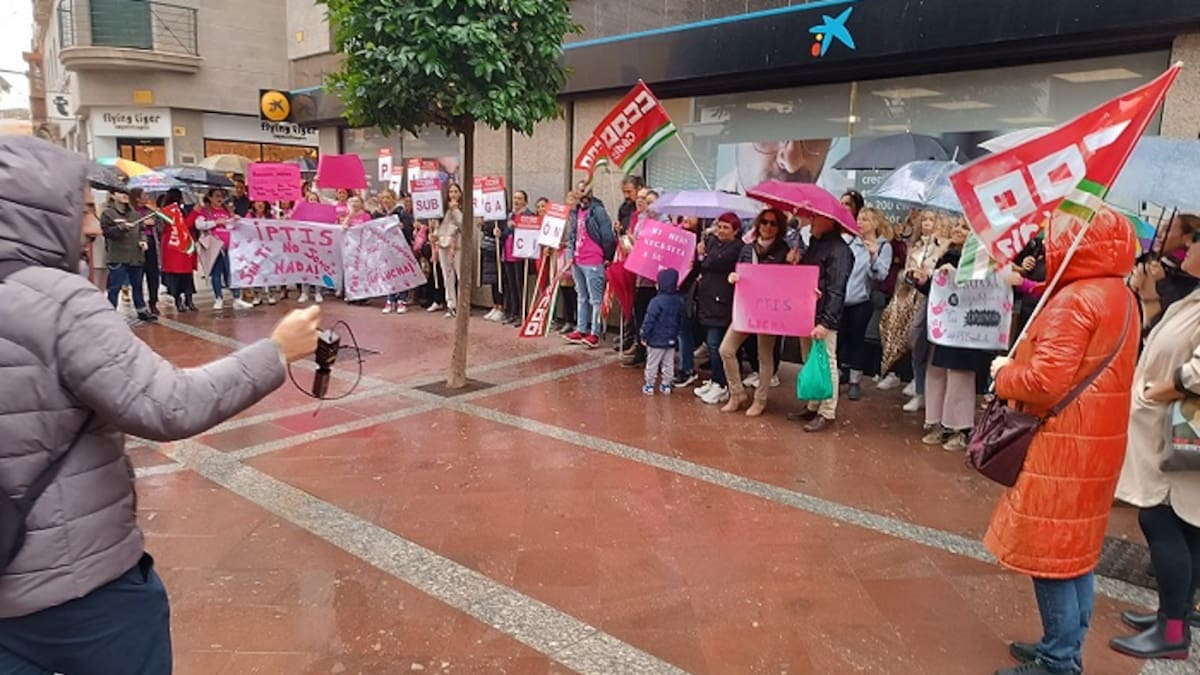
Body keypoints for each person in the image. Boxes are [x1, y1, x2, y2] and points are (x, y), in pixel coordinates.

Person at [0, 135, 324, 675]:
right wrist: (276, 351)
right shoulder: (59, 301)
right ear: (35, 213)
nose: (90, 227)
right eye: (79, 209)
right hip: (86, 589)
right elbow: (168, 405)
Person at [986, 207, 1140, 675]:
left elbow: (1042, 382)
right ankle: (1065, 644)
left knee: (1050, 553)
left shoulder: (1074, 300)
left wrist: (1003, 373)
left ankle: (1059, 659)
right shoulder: (1122, 294)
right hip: (1096, 441)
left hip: (1062, 442)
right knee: (1077, 551)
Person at [1110, 229, 1200, 660]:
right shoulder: (1191, 299)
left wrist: (1157, 390)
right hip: (1169, 426)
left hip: (1179, 428)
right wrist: (1148, 297)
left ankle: (1173, 630)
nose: (1190, 248)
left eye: (1197, 241)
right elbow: (1160, 341)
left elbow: (1196, 373)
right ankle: (1175, 614)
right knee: (1184, 524)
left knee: (1160, 518)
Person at [911, 218, 990, 451]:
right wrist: (923, 281)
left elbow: (983, 291)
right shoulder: (946, 254)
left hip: (966, 329)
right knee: (936, 373)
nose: (956, 229)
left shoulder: (981, 258)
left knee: (959, 377)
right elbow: (937, 291)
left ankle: (959, 428)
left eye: (965, 226)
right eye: (956, 224)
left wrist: (957, 275)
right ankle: (936, 422)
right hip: (941, 325)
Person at [720, 208, 792, 417]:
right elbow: (740, 272)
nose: (768, 227)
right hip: (746, 308)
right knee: (726, 349)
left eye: (773, 223)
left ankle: (760, 399)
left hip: (769, 310)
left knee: (765, 356)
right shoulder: (746, 249)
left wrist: (792, 262)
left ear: (779, 228)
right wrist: (734, 277)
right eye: (765, 222)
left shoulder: (783, 251)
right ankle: (737, 394)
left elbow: (788, 282)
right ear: (758, 224)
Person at [786, 210, 853, 432]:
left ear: (830, 221)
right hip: (809, 312)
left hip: (823, 316)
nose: (811, 221)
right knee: (810, 360)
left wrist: (827, 322)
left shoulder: (840, 251)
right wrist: (796, 263)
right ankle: (813, 404)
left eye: (816, 217)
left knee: (827, 362)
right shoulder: (815, 244)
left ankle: (827, 410)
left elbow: (836, 290)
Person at [840, 205, 893, 401]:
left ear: (875, 223)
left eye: (865, 219)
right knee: (840, 338)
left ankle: (855, 381)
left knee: (857, 340)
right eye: (859, 219)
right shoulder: (851, 241)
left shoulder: (884, 246)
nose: (860, 223)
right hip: (842, 298)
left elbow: (880, 275)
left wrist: (873, 256)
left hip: (862, 300)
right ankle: (839, 376)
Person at [693, 212, 743, 405]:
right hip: (707, 300)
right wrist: (701, 253)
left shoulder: (737, 248)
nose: (721, 231)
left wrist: (705, 255)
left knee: (716, 344)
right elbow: (702, 265)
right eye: (719, 226)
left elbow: (713, 262)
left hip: (722, 302)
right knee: (711, 342)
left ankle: (722, 384)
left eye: (726, 228)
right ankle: (716, 379)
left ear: (735, 230)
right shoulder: (713, 243)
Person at [563, 189, 615, 348]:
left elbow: (607, 235)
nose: (580, 193)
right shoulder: (576, 212)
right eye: (578, 190)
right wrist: (570, 254)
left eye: (583, 190)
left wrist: (607, 256)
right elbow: (572, 235)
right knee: (582, 296)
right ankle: (581, 328)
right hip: (578, 259)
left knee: (595, 299)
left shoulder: (598, 211)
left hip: (593, 259)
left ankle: (595, 332)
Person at [100, 189, 156, 322]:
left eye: (126, 192)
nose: (124, 195)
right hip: (118, 256)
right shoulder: (108, 214)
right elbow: (107, 232)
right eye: (120, 192)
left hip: (135, 255)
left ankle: (141, 309)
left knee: (137, 285)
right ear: (113, 195)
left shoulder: (135, 214)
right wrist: (121, 228)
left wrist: (143, 240)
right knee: (115, 286)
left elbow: (142, 230)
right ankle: (110, 312)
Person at [192, 188, 252, 311]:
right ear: (210, 197)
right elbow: (198, 225)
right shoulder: (205, 211)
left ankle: (237, 298)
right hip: (215, 247)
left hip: (230, 247)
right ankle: (218, 298)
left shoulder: (227, 210)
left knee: (232, 272)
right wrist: (216, 222)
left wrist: (236, 219)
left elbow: (234, 226)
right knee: (216, 273)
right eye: (217, 196)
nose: (220, 199)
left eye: (222, 196)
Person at [640, 267, 684, 395]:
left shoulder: (656, 302)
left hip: (655, 339)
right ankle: (666, 384)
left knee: (652, 363)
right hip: (671, 338)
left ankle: (649, 384)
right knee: (668, 363)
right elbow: (680, 320)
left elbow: (649, 320)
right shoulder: (678, 301)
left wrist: (644, 334)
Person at [157, 189, 197, 312]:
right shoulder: (171, 211)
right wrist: (195, 212)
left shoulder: (169, 211)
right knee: (181, 274)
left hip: (175, 246)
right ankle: (182, 300)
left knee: (183, 274)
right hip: (177, 246)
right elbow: (183, 225)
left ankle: (185, 300)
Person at [499, 190, 534, 325]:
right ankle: (513, 313)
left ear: (525, 201)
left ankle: (522, 313)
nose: (516, 201)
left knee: (520, 286)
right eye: (514, 198)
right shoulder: (510, 215)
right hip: (508, 254)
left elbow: (529, 234)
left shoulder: (528, 215)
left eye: (519, 198)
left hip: (521, 256)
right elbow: (505, 234)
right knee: (511, 285)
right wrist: (501, 232)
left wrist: (516, 227)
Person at [432, 183, 464, 318]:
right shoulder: (443, 210)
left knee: (461, 275)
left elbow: (463, 224)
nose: (453, 194)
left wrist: (456, 210)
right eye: (451, 192)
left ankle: (463, 304)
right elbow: (440, 227)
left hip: (458, 246)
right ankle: (451, 305)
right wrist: (434, 233)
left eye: (456, 192)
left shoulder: (463, 209)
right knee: (447, 277)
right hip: (443, 245)